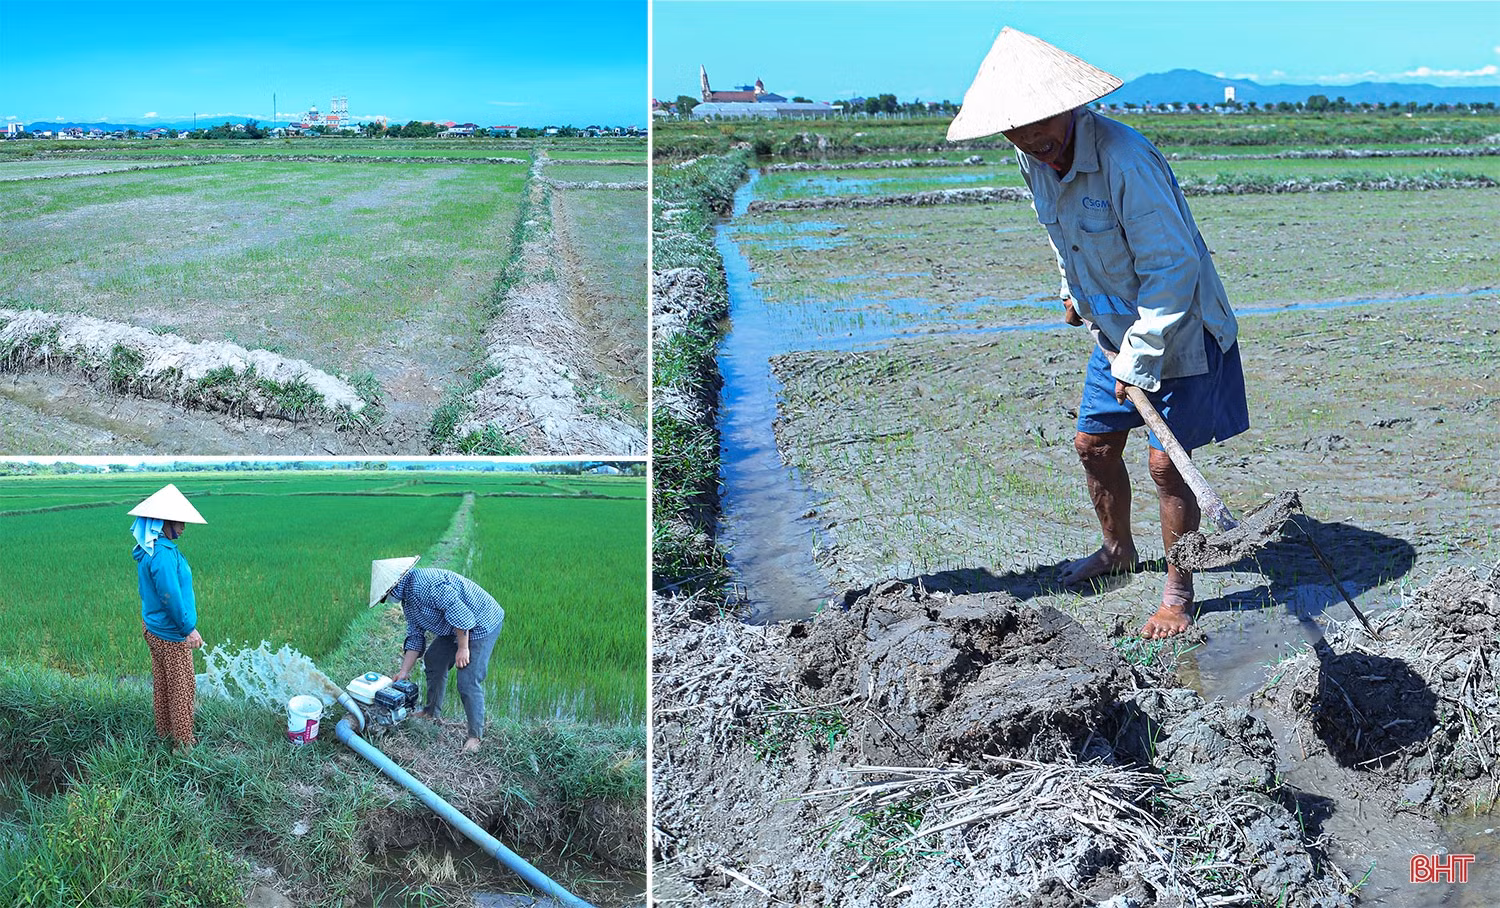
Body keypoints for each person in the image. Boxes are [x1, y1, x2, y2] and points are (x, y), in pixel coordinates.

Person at [948, 27, 1249, 639]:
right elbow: (1062, 235)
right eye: (1014, 129)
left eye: (1040, 122)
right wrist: (1071, 288)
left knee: (1167, 465)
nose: (1031, 138)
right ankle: (1117, 551)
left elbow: (1173, 269)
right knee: (1093, 446)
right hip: (1113, 328)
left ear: (1069, 105)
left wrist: (1138, 357)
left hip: (1179, 328)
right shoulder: (1033, 157)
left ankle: (1178, 591)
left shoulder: (1125, 160)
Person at [369, 557, 505, 753]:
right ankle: (431, 712)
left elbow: (460, 613)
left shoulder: (427, 584)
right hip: (454, 627)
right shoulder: (408, 600)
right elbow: (415, 635)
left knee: (467, 680)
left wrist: (463, 648)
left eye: (385, 596)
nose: (387, 600)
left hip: (482, 622)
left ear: (393, 586)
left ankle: (475, 736)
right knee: (434, 659)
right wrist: (404, 671)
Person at [130, 483, 208, 751]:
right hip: (170, 634)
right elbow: (169, 597)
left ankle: (164, 734)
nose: (184, 527)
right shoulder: (162, 554)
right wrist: (188, 629)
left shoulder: (149, 547)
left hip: (153, 628)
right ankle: (183, 747)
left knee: (164, 684)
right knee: (183, 688)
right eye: (179, 521)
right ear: (162, 522)